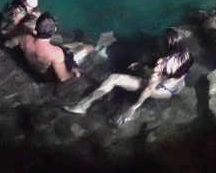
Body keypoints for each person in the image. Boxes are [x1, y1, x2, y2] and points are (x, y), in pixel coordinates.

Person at [65, 27, 194, 125]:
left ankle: (83, 106)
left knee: (114, 78)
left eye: (163, 40)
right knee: (145, 69)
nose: (161, 41)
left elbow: (150, 88)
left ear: (168, 44)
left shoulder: (163, 63)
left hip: (162, 91)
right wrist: (142, 64)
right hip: (178, 86)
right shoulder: (186, 54)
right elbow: (168, 67)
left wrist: (133, 107)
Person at [17, 12, 91, 82]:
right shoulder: (56, 53)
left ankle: (79, 44)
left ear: (36, 27)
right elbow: (63, 78)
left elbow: (10, 43)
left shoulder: (24, 38)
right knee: (88, 47)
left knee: (78, 44)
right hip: (49, 75)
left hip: (43, 57)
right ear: (54, 30)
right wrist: (75, 74)